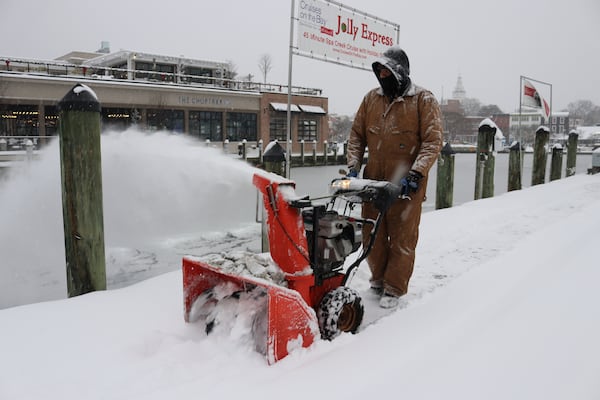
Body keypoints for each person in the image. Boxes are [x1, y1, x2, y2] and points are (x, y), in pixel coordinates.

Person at [346, 47, 443, 309]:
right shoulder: (371, 100)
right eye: (379, 72)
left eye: (387, 71)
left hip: (406, 185)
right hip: (373, 182)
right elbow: (356, 135)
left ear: (399, 73)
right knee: (372, 233)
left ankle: (395, 287)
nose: (382, 76)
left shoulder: (424, 100)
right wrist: (353, 165)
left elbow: (433, 142)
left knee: (402, 238)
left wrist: (416, 173)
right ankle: (377, 280)